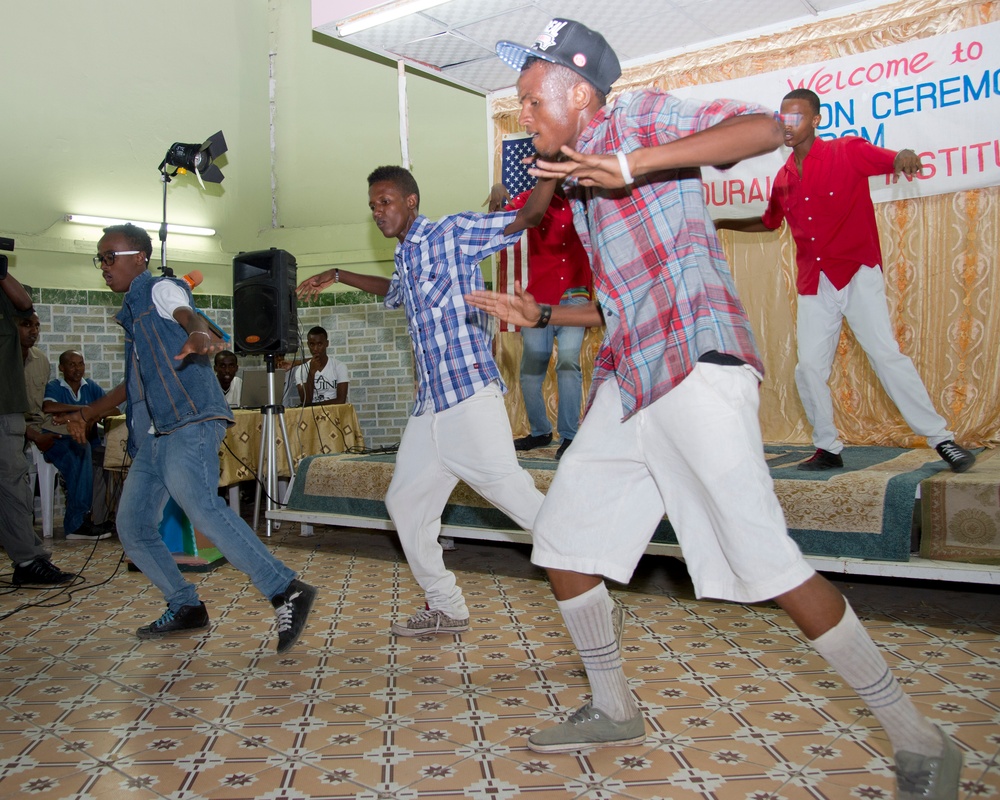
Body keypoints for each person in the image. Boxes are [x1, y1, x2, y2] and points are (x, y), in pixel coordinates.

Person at [463, 19, 961, 799]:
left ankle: (919, 736)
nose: (523, 118)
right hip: (630, 380)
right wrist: (543, 318)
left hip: (697, 362)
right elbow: (621, 307)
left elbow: (765, 128)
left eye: (531, 100)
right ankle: (613, 705)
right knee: (562, 543)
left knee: (765, 561)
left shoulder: (637, 119)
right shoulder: (585, 184)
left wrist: (634, 162)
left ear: (581, 92)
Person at [296, 165, 556, 636]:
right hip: (430, 407)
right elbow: (396, 291)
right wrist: (338, 273)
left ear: (412, 201)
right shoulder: (404, 257)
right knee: (406, 503)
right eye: (373, 205)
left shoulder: (452, 232)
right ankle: (447, 606)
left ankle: (588, 579)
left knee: (513, 495)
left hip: (469, 395)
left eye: (386, 201)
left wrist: (552, 169)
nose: (378, 211)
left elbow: (527, 219)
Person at [62, 224, 316, 653]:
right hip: (155, 434)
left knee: (201, 507)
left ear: (139, 257)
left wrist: (197, 330)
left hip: (190, 420)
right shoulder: (133, 315)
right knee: (132, 526)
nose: (103, 267)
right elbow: (135, 382)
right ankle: (185, 605)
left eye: (110, 257)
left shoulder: (157, 288)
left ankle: (284, 588)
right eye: (99, 259)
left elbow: (183, 310)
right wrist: (87, 413)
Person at [715, 88, 975, 474]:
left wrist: (905, 158)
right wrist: (720, 221)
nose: (788, 125)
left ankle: (942, 439)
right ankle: (828, 447)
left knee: (885, 354)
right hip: (814, 283)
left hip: (856, 272)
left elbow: (894, 159)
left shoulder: (847, 151)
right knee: (808, 369)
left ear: (816, 120)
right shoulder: (784, 178)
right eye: (783, 118)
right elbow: (769, 222)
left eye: (797, 117)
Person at [488, 182, 591, 460]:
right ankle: (540, 431)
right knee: (530, 374)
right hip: (538, 300)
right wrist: (499, 202)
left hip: (575, 295)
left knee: (568, 360)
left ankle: (570, 436)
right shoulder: (530, 199)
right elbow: (501, 222)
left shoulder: (583, 198)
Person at [0, 276, 75, 586]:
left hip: (5, 407)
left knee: (13, 484)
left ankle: (29, 560)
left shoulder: (7, 296)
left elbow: (25, 304)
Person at [40, 350, 114, 540]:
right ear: (62, 367)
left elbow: (112, 408)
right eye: (72, 364)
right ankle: (76, 524)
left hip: (88, 441)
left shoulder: (90, 386)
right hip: (58, 441)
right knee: (81, 451)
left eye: (80, 363)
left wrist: (92, 415)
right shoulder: (56, 386)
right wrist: (85, 409)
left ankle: (102, 517)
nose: (77, 368)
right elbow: (48, 407)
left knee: (113, 457)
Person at [294, 327, 348, 406]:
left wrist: (315, 406)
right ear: (308, 345)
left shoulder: (339, 367)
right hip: (312, 415)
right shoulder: (301, 370)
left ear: (327, 343)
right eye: (312, 344)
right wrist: (311, 372)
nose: (315, 349)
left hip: (335, 413)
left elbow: (341, 400)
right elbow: (306, 401)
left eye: (319, 344)